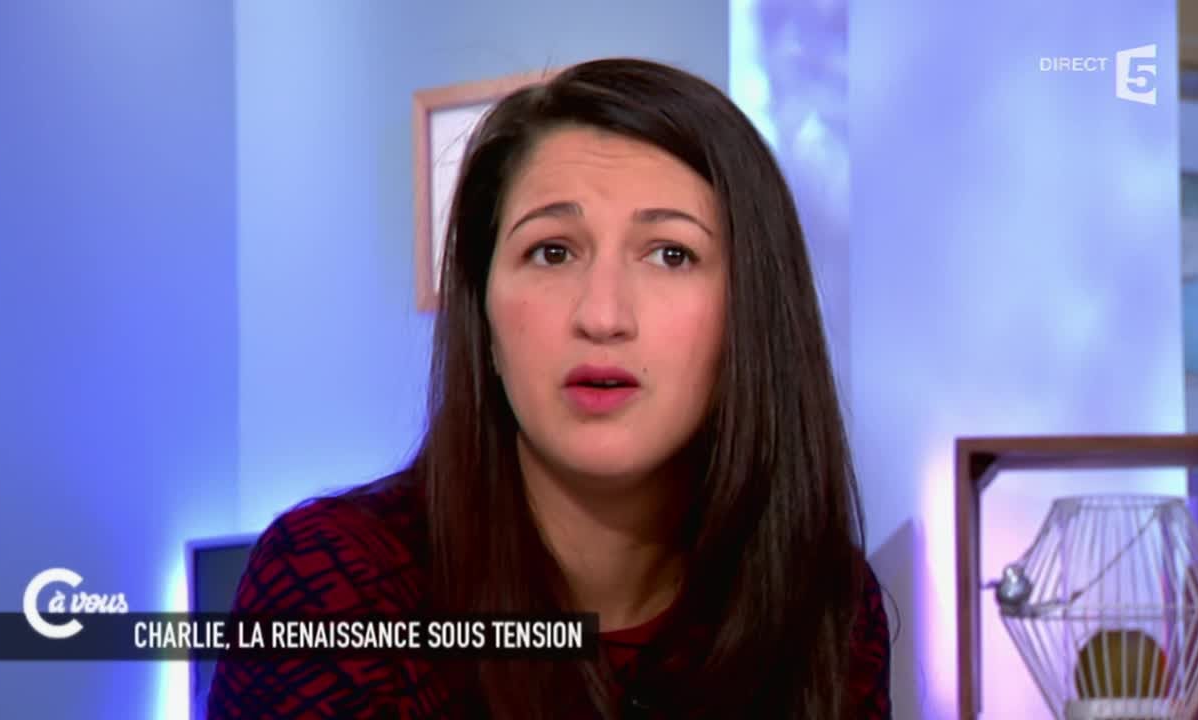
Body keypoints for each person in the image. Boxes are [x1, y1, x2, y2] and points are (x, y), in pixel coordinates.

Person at [207, 57, 890, 719]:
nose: (602, 315)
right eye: (552, 251)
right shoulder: (333, 590)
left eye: (670, 254)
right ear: (484, 316)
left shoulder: (826, 609)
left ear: (750, 316)